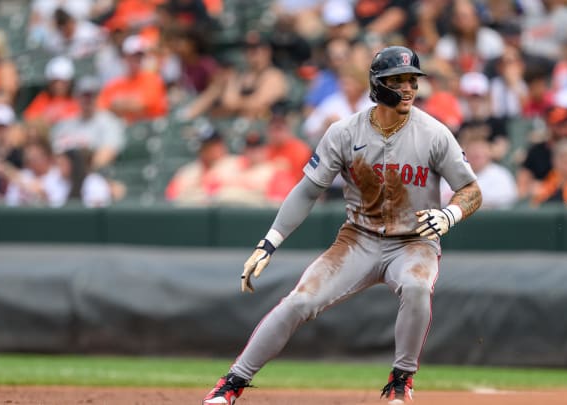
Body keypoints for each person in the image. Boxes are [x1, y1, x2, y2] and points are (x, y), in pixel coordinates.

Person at [202, 46, 481, 405]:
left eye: (413, 80)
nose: (409, 88)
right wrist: (269, 242)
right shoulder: (344, 132)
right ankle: (232, 383)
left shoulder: (434, 132)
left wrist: (450, 214)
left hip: (413, 241)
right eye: (399, 80)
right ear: (378, 85)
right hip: (359, 238)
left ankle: (401, 380)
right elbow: (307, 191)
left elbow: (471, 190)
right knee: (298, 302)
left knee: (415, 286)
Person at [50, 76, 126, 170]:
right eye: (84, 95)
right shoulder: (66, 123)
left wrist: (81, 174)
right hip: (65, 174)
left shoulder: (109, 122)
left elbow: (106, 155)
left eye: (91, 95)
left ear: (97, 97)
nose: (87, 100)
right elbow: (55, 154)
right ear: (76, 97)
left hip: (93, 176)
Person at [96, 35, 168, 123]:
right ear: (125, 57)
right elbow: (101, 109)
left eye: (140, 56)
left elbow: (143, 105)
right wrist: (130, 104)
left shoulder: (153, 79)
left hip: (150, 128)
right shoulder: (114, 84)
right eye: (133, 56)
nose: (137, 59)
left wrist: (118, 105)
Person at [23, 56, 81, 126]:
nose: (58, 86)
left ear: (70, 82)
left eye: (63, 82)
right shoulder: (43, 99)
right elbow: (29, 120)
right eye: (55, 82)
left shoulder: (78, 99)